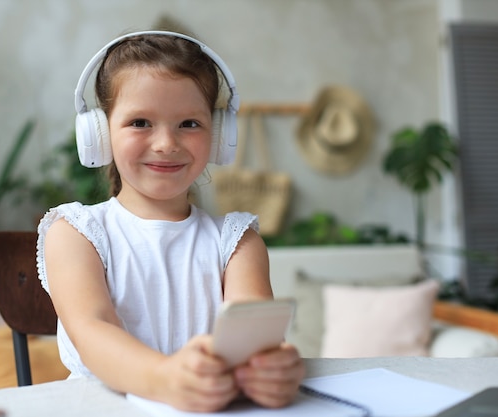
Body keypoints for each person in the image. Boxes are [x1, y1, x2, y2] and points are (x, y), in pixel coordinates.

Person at [36, 30, 305, 412]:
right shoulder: (75, 233)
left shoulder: (237, 243)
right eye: (141, 122)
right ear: (100, 134)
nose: (166, 143)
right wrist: (165, 378)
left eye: (189, 124)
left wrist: (270, 372)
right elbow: (93, 330)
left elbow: (253, 343)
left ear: (217, 136)